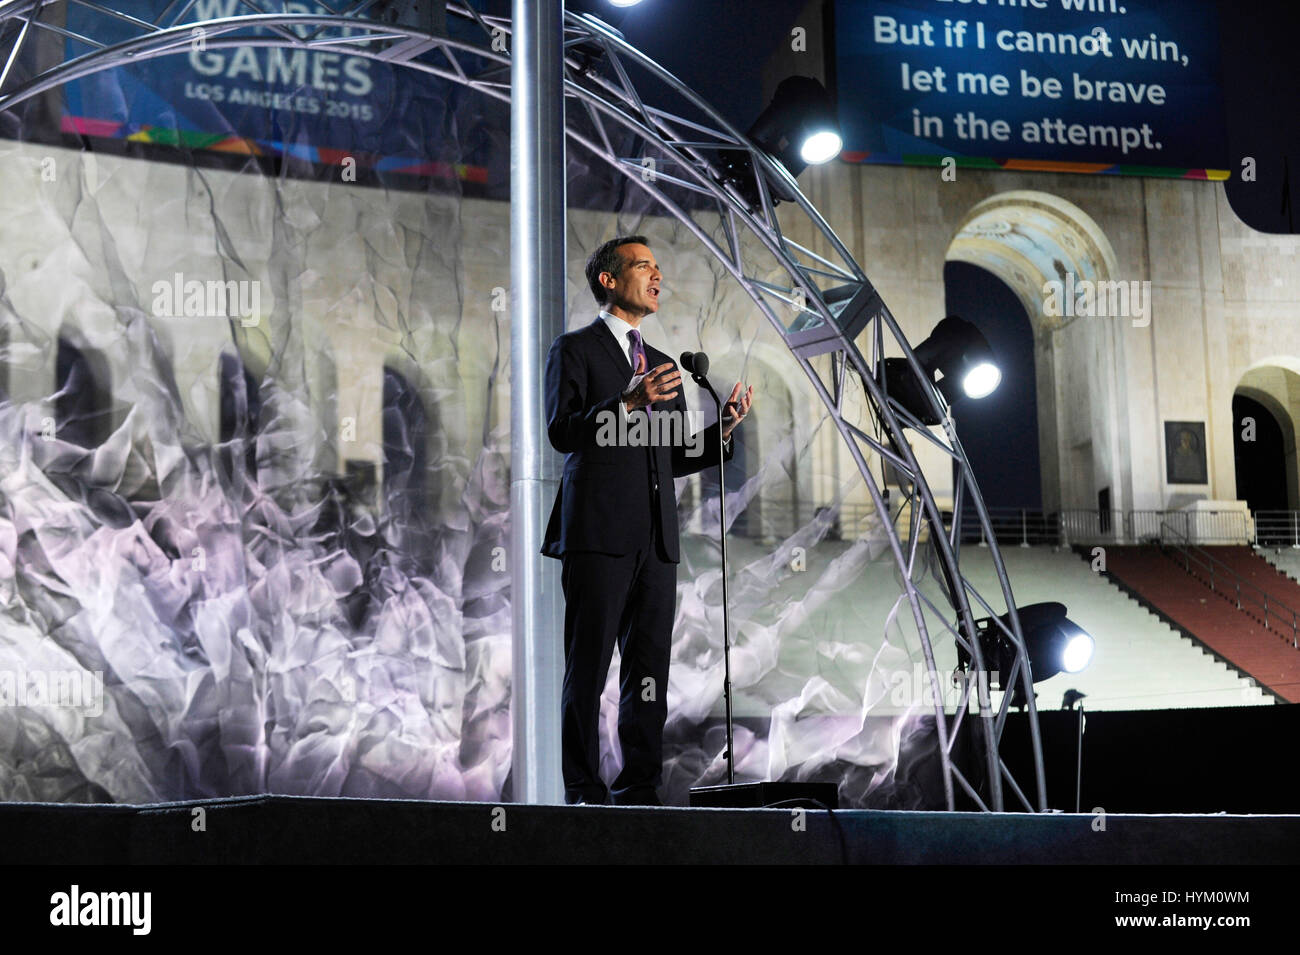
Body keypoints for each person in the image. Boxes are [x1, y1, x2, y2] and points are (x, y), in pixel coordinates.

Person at [541, 235, 753, 806]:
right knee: (588, 669)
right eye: (642, 267)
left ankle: (640, 786)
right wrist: (628, 405)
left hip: (657, 541)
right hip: (598, 534)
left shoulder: (662, 365)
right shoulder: (575, 349)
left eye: (659, 269)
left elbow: (674, 453)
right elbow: (562, 431)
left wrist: (724, 430)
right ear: (609, 280)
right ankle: (584, 789)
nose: (657, 277)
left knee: (647, 672)